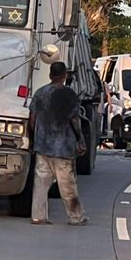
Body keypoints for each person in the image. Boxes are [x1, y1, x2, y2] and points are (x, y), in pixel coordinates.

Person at [29, 62, 88, 226]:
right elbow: (74, 120)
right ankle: (75, 217)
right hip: (63, 148)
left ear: (50, 75)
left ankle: (38, 216)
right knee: (67, 184)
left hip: (43, 146)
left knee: (41, 184)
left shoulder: (40, 93)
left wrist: (34, 140)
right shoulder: (69, 95)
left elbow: (32, 120)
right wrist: (80, 141)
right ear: (65, 76)